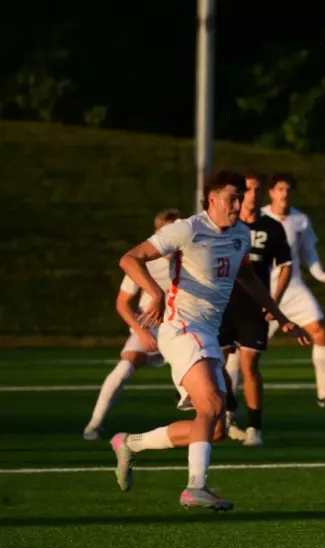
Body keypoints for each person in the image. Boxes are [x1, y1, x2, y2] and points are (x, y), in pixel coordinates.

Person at [109, 170, 310, 510]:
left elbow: (246, 276)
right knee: (214, 404)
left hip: (208, 332)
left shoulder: (241, 234)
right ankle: (195, 488)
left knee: (214, 427)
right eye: (232, 198)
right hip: (181, 327)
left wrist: (281, 316)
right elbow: (129, 258)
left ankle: (130, 443)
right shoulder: (187, 229)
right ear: (213, 200)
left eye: (241, 198)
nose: (239, 205)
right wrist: (155, 292)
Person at [82, 209, 180, 440]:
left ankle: (223, 422)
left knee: (205, 373)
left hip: (181, 327)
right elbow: (122, 303)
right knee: (123, 369)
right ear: (157, 235)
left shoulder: (191, 259)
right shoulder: (143, 262)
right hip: (150, 326)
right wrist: (140, 331)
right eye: (167, 232)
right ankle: (94, 424)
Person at [218, 170, 293, 447]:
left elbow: (286, 266)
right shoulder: (224, 225)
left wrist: (274, 302)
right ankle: (228, 409)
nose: (252, 194)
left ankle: (254, 428)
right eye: (247, 189)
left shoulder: (272, 227)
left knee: (249, 365)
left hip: (254, 308)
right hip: (222, 305)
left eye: (257, 189)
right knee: (216, 363)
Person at [262, 172, 325, 408]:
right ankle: (216, 394)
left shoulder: (300, 220)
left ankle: (324, 395)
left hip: (293, 287)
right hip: (264, 289)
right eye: (280, 189)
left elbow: (309, 253)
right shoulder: (259, 218)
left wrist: (322, 274)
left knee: (319, 330)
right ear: (271, 192)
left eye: (288, 189)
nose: (284, 194)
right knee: (244, 347)